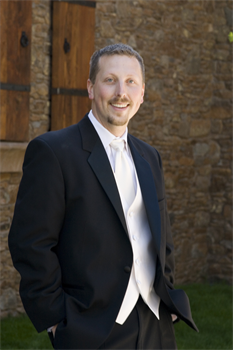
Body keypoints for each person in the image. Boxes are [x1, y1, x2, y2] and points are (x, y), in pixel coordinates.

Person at [8, 44, 197, 350]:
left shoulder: (150, 157)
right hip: (91, 329)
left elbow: (162, 237)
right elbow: (30, 244)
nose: (121, 92)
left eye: (131, 82)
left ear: (142, 93)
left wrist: (167, 288)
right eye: (110, 80)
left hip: (155, 324)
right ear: (91, 88)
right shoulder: (53, 152)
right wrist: (56, 320)